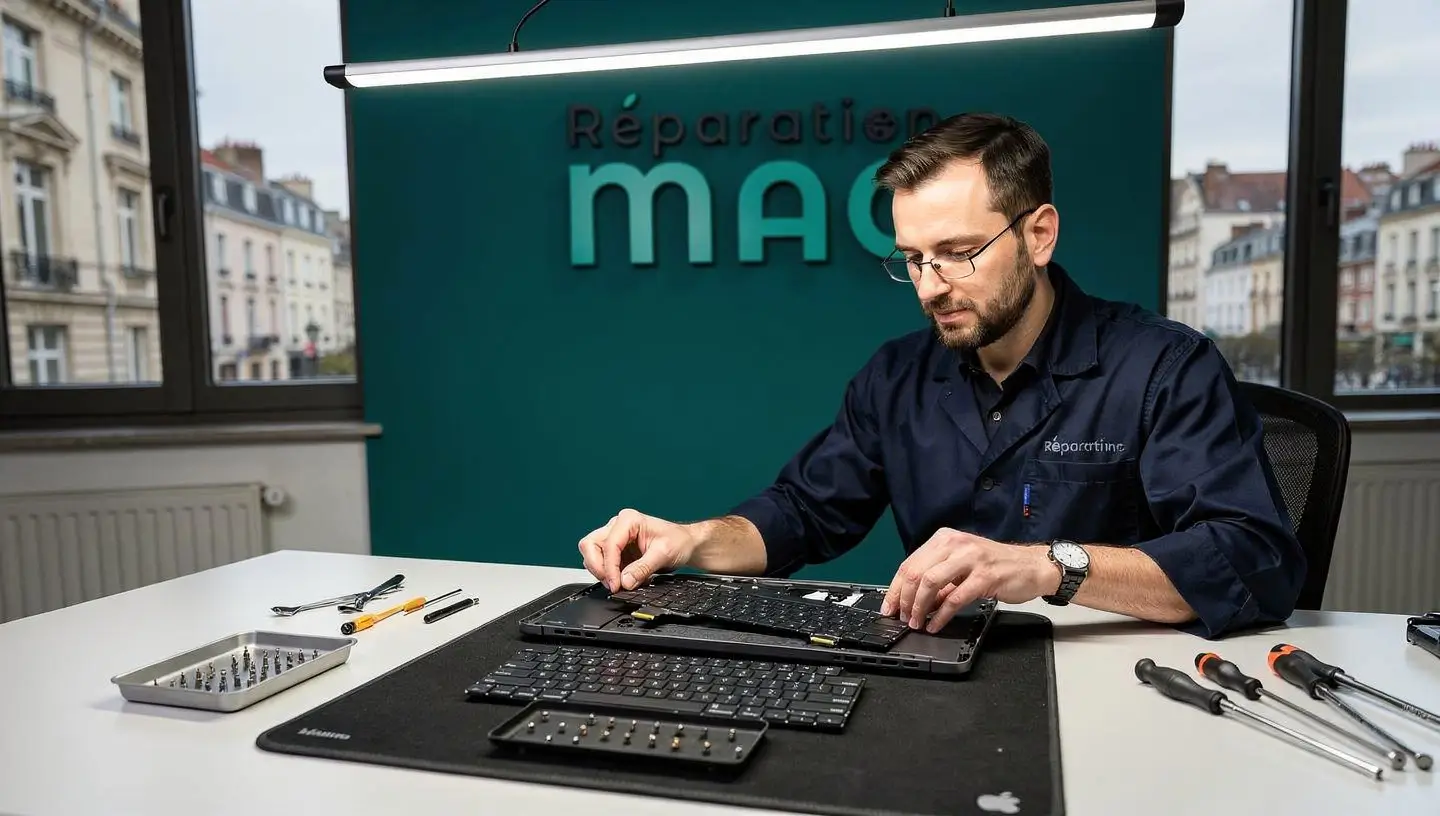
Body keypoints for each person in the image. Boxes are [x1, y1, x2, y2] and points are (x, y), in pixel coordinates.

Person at [577, 112, 1306, 640]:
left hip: (1119, 689)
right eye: (914, 258)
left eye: (958, 252)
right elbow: (800, 514)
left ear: (1038, 234)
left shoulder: (1163, 366)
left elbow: (1255, 559)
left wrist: (1048, 566)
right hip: (940, 677)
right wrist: (690, 540)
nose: (931, 286)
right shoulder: (895, 377)